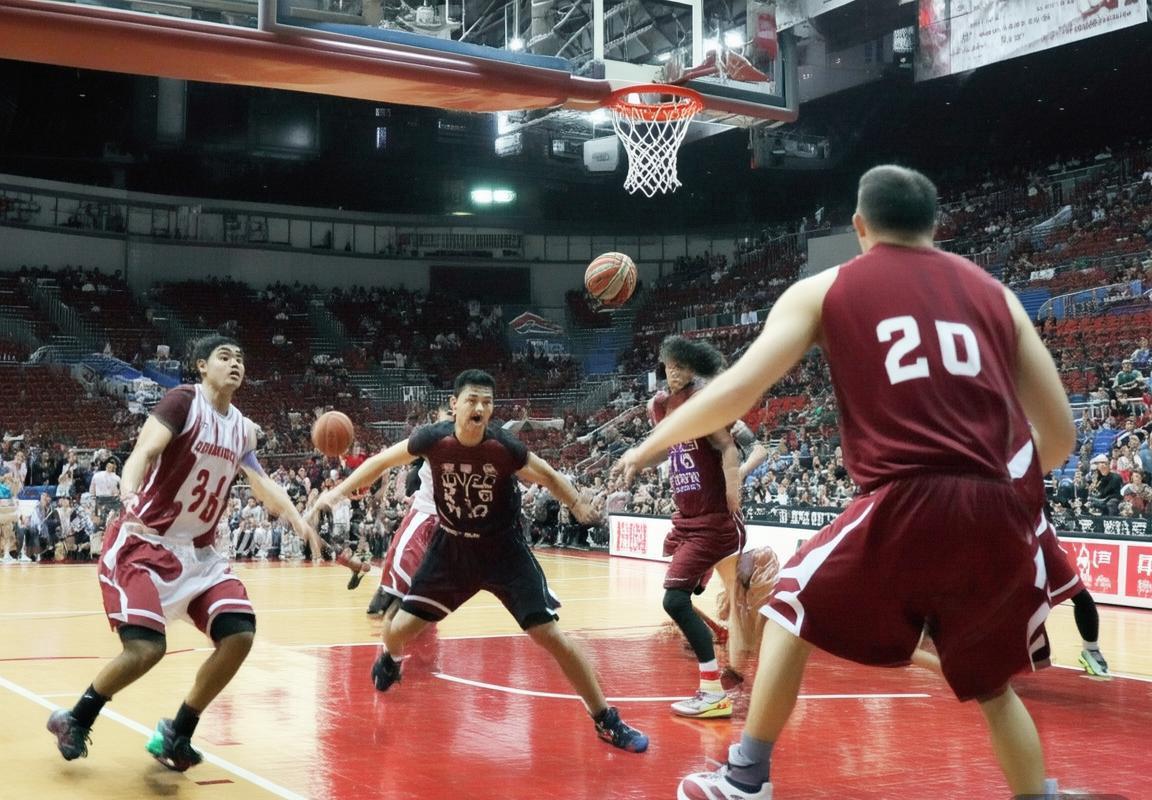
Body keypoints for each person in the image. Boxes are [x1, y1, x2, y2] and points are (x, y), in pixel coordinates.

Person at [615, 165, 1074, 800]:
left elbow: (737, 391)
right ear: (935, 225)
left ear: (859, 225)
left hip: (907, 493)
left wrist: (647, 447)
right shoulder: (997, 296)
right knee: (990, 684)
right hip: (1000, 505)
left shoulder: (824, 290)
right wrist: (988, 491)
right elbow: (1060, 437)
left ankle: (746, 777)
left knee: (787, 606)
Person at [313, 369, 648, 753]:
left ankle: (605, 718)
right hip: (452, 551)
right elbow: (382, 461)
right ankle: (391, 658)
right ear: (454, 405)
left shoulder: (504, 447)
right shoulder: (432, 440)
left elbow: (549, 475)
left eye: (487, 403)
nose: (480, 408)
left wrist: (576, 503)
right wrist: (335, 493)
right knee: (395, 629)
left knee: (550, 636)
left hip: (503, 552)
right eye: (472, 400)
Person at [47, 335, 321, 772]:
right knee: (146, 649)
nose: (235, 364)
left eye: (240, 358)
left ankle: (178, 732)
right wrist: (128, 491)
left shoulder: (242, 428)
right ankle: (76, 718)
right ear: (201, 365)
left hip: (200, 555)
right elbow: (145, 449)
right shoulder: (183, 402)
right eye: (224, 357)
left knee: (239, 635)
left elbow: (261, 482)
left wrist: (298, 520)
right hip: (145, 544)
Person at [631, 335, 745, 719]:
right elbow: (664, 450)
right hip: (686, 521)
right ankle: (724, 669)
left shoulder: (701, 400)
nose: (675, 372)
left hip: (712, 521)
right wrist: (636, 462)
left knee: (675, 601)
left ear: (692, 368)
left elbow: (728, 446)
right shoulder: (662, 406)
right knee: (692, 595)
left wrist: (733, 486)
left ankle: (715, 689)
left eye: (681, 366)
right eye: (670, 366)